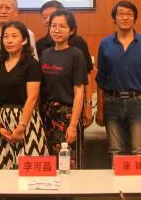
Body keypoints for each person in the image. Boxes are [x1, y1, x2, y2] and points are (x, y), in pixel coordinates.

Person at [96, 0, 141, 157]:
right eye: (121, 14)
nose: (125, 17)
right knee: (115, 151)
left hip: (138, 103)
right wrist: (100, 110)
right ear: (114, 18)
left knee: (138, 151)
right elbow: (100, 80)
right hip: (112, 102)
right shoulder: (105, 43)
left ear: (135, 19)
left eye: (129, 14)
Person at [0, 21, 49, 169]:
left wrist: (21, 126)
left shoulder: (31, 64)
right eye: (5, 36)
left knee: (32, 169)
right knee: (6, 169)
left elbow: (32, 98)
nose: (9, 40)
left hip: (26, 119)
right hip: (3, 121)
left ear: (24, 40)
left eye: (14, 36)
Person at [39, 10, 88, 169]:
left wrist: (73, 125)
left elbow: (79, 92)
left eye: (62, 26)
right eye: (53, 26)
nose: (57, 30)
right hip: (46, 115)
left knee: (68, 164)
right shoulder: (45, 53)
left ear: (71, 30)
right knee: (50, 164)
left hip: (67, 115)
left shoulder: (76, 54)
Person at [36, 0, 95, 126]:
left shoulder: (78, 46)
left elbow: (86, 77)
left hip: (70, 109)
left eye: (52, 15)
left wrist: (88, 105)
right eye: (44, 17)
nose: (48, 20)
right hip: (45, 110)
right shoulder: (41, 47)